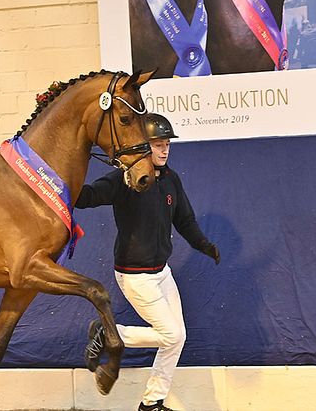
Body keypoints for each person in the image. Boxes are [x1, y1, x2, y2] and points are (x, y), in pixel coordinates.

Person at [75, 113, 220, 411]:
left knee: (176, 339)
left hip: (161, 273)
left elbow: (185, 219)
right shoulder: (123, 178)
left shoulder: (171, 179)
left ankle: (151, 402)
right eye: (157, 144)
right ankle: (109, 332)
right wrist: (65, 177)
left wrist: (203, 244)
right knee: (171, 334)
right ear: (143, 146)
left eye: (167, 144)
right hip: (134, 274)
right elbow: (87, 197)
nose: (164, 150)